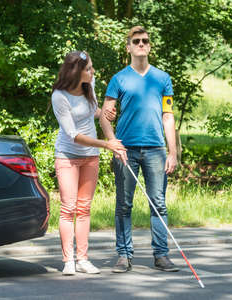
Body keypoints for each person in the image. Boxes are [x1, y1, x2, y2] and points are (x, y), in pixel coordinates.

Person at [100, 26, 179, 273]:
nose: (141, 44)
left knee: (158, 203)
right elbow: (104, 116)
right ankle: (124, 255)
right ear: (129, 47)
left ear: (150, 46)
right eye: (137, 41)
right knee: (124, 204)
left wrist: (173, 151)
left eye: (145, 41)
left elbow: (168, 116)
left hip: (155, 149)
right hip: (126, 150)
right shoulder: (119, 79)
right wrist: (113, 143)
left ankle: (161, 255)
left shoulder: (163, 78)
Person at [51, 50, 126, 275]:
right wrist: (107, 145)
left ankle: (83, 259)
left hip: (90, 157)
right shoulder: (59, 96)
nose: (92, 72)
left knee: (84, 208)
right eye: (88, 68)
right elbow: (72, 134)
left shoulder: (89, 85)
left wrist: (104, 113)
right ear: (76, 71)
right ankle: (68, 261)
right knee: (68, 208)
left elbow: (91, 111)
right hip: (67, 156)